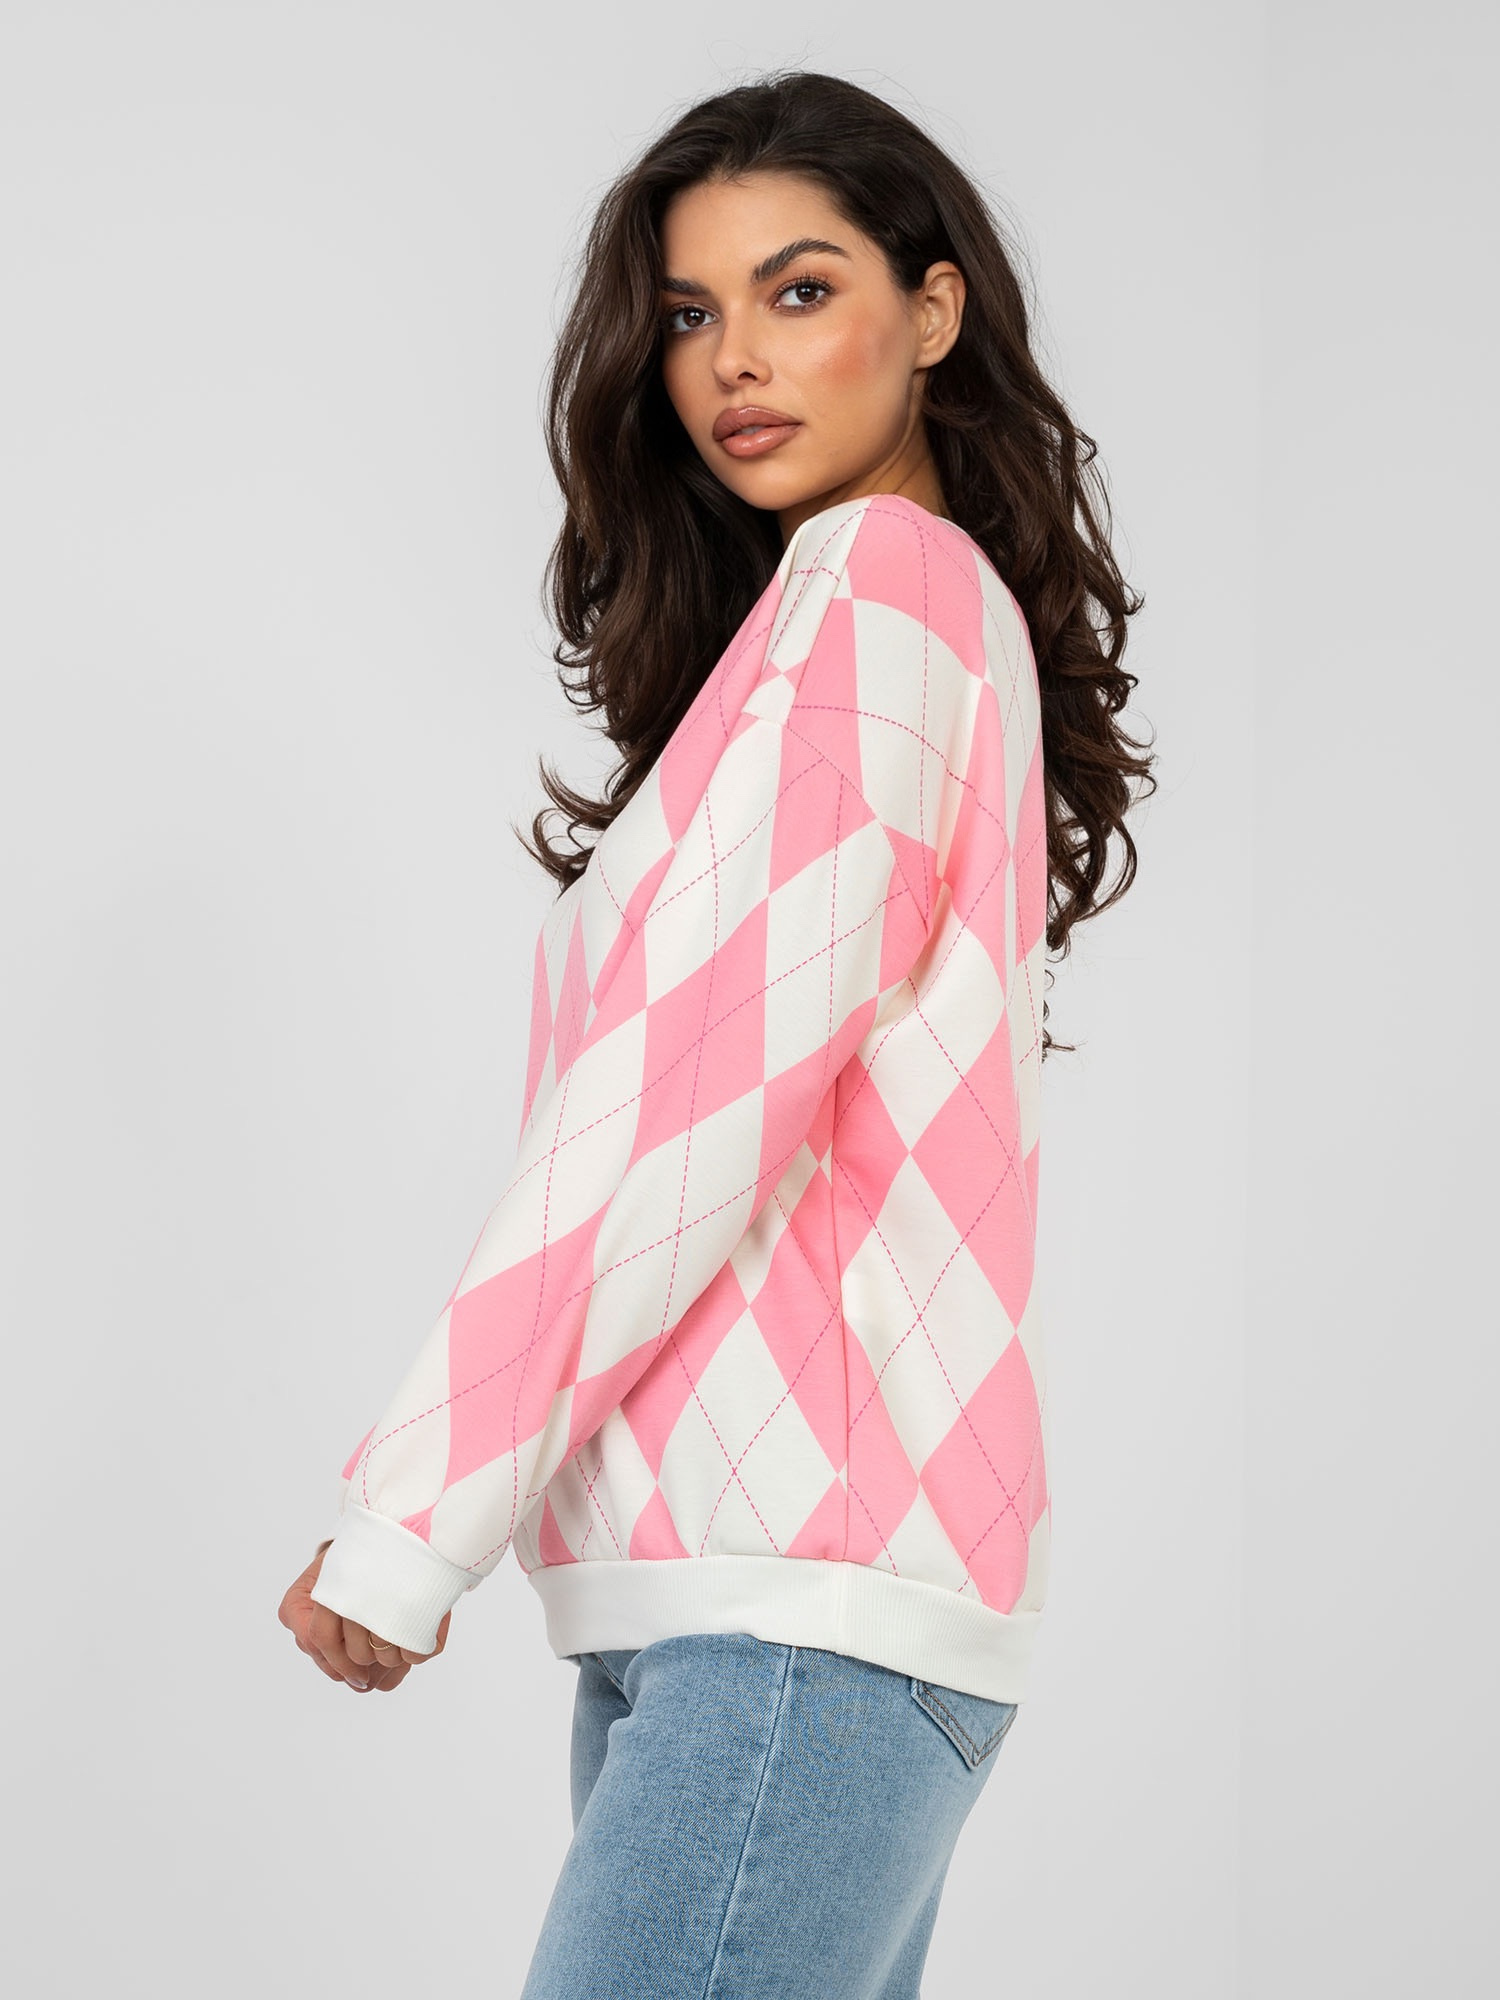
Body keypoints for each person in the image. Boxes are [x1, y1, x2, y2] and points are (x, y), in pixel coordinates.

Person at [279, 67, 1151, 1998]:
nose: (734, 359)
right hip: (765, 1616)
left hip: (796, 1620)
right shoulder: (864, 624)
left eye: (800, 290)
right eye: (689, 312)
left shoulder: (882, 592)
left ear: (934, 313)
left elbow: (683, 1099)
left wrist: (413, 1517)